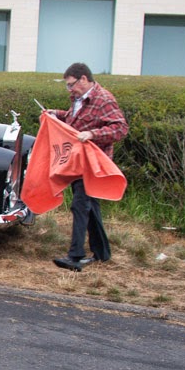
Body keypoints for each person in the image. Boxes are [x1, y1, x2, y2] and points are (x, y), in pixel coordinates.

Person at [49, 62, 128, 271]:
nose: (70, 89)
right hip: (78, 161)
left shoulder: (104, 99)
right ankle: (102, 253)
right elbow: (73, 119)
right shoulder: (78, 98)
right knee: (90, 206)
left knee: (80, 205)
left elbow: (120, 128)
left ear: (83, 79)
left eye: (71, 84)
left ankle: (75, 256)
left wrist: (93, 134)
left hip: (94, 163)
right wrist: (55, 114)